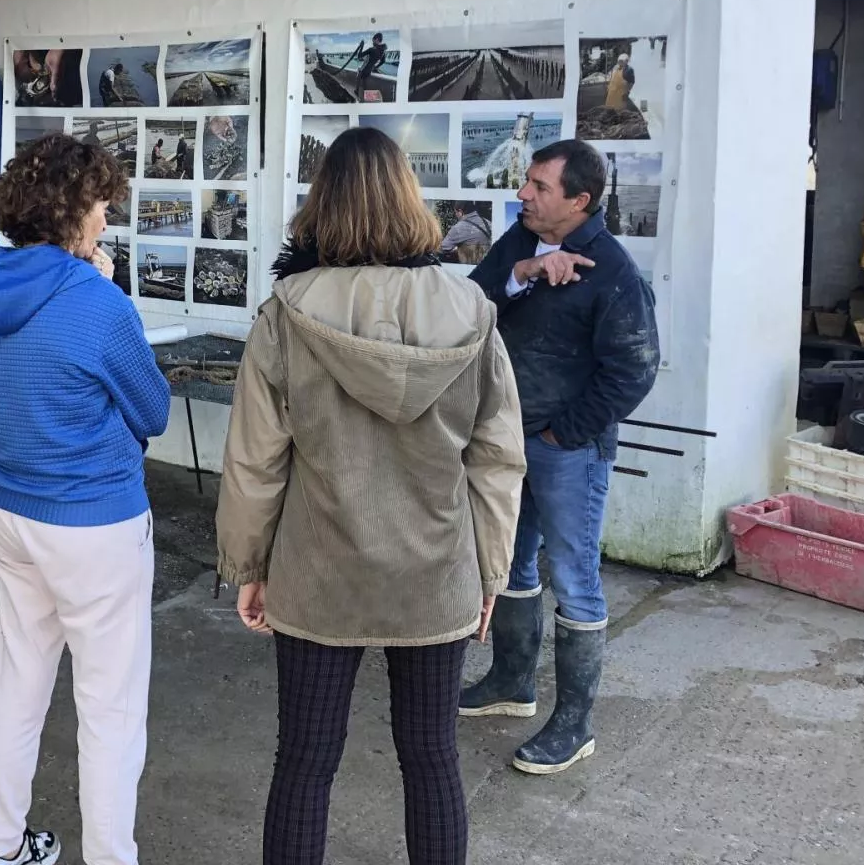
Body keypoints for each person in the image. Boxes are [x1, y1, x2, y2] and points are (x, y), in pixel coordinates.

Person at [217, 127, 527, 865]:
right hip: (435, 572)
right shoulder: (473, 313)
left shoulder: (286, 313)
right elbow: (497, 460)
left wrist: (249, 566)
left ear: (321, 203)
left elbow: (255, 463)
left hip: (319, 573)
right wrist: (490, 572)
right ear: (410, 199)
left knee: (305, 762)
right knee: (432, 760)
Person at [0, 132, 172, 865]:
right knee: (110, 708)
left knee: (17, 684)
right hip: (95, 524)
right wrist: (105, 287)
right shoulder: (98, 302)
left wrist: (87, 275)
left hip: (10, 511)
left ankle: (3, 845)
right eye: (100, 206)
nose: (107, 221)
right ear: (70, 211)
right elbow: (152, 412)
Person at [461, 139, 659, 775]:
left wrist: (560, 435)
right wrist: (518, 275)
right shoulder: (518, 243)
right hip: (504, 440)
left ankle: (574, 725)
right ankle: (512, 683)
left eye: (539, 187)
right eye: (527, 183)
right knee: (512, 561)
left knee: (574, 578)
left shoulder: (614, 272)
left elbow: (633, 370)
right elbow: (471, 304)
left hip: (564, 450)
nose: (523, 194)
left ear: (579, 201)